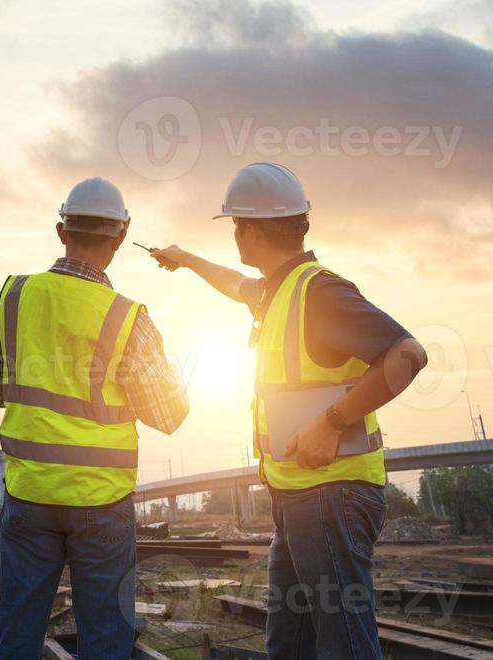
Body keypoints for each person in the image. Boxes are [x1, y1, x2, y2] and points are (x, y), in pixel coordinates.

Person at [150, 163, 427, 660]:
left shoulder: (318, 292)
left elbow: (408, 355)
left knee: (344, 644)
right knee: (290, 644)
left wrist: (331, 422)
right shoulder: (278, 290)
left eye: (236, 224)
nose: (235, 234)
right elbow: (235, 284)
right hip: (298, 497)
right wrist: (185, 259)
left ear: (250, 231)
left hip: (332, 495)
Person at [0, 177, 189, 660]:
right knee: (107, 641)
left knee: (15, 639)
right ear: (120, 237)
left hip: (30, 494)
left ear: (60, 230)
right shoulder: (128, 318)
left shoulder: (14, 296)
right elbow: (169, 414)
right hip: (102, 501)